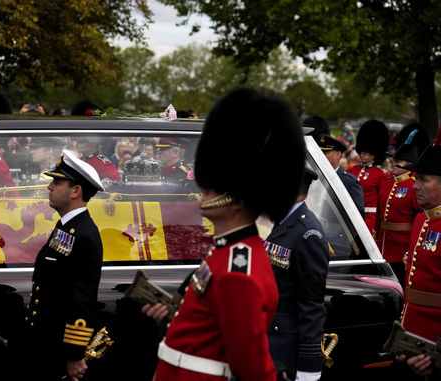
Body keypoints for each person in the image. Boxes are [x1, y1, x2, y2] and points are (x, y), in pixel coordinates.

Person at [152, 87, 306, 381]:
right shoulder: (226, 253)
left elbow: (252, 370)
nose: (204, 188)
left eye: (215, 185)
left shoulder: (239, 270)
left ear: (237, 198)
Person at [21, 150, 105, 381]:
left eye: (57, 182)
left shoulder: (84, 234)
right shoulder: (67, 227)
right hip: (47, 344)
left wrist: (75, 354)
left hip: (60, 350)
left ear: (76, 191)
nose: (49, 187)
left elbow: (82, 298)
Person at [265, 167, 329, 381]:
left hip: (283, 347)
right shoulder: (278, 222)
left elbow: (311, 304)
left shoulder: (307, 233)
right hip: (266, 340)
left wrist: (308, 368)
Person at [397, 125, 441, 378]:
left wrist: (436, 352)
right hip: (412, 339)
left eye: (423, 180)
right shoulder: (420, 221)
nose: (415, 186)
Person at [376, 128, 427, 283]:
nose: (395, 163)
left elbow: (418, 218)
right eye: (395, 160)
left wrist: (409, 248)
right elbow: (379, 216)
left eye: (399, 161)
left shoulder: (413, 185)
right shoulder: (385, 183)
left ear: (409, 164)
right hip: (383, 242)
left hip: (402, 245)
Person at [348, 119, 390, 236]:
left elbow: (383, 205)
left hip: (369, 224)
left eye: (368, 150)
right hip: (351, 221)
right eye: (362, 149)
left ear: (375, 151)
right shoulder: (353, 170)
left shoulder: (381, 174)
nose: (363, 152)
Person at [318, 134, 365, 215]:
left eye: (325, 153)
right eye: (320, 152)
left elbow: (358, 212)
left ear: (338, 155)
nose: (320, 155)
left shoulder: (349, 181)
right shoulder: (316, 177)